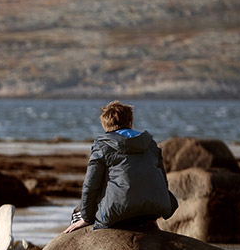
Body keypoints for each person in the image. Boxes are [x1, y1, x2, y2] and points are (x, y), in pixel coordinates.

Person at [64, 100, 177, 234]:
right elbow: (163, 181)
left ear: (105, 126)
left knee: (77, 213)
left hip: (120, 214)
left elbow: (90, 185)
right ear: (130, 123)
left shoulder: (103, 146)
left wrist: (86, 218)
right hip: (155, 211)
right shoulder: (150, 144)